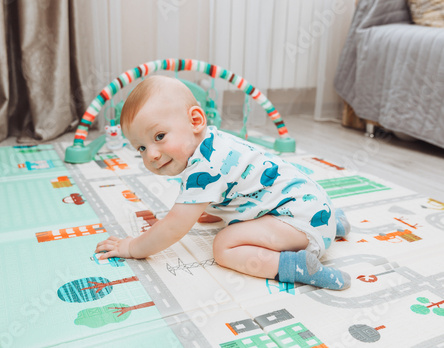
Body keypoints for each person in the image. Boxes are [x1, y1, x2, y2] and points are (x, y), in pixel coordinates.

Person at [95, 75, 351, 290]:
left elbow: (173, 227)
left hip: (300, 223)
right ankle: (333, 223)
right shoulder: (214, 143)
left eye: (159, 136)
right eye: (141, 147)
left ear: (195, 121)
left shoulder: (203, 168)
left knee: (224, 246)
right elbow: (237, 187)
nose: (150, 154)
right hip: (315, 205)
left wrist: (133, 247)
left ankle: (299, 266)